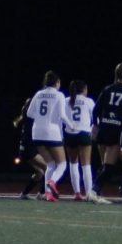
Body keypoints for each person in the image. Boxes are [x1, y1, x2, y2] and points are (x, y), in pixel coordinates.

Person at [89, 63, 122, 205]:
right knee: (109, 166)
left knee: (105, 165)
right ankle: (93, 191)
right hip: (117, 131)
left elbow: (95, 111)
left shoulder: (107, 89)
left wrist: (97, 126)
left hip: (104, 129)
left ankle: (95, 192)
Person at [26, 71, 69, 202]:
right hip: (52, 132)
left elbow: (29, 113)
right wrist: (72, 125)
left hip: (37, 133)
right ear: (57, 83)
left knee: (50, 164)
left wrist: (41, 119)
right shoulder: (59, 95)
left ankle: (48, 194)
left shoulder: (38, 94)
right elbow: (62, 115)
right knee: (62, 164)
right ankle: (52, 181)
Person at [64, 80, 96, 201]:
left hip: (69, 133)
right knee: (86, 164)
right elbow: (95, 118)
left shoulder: (66, 101)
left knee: (73, 163)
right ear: (84, 89)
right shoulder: (88, 101)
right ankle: (88, 193)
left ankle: (77, 193)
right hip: (83, 133)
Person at [13, 98, 47, 200]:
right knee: (49, 168)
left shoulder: (27, 116)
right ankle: (42, 194)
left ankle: (24, 194)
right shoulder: (31, 117)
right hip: (29, 149)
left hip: (25, 149)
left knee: (39, 172)